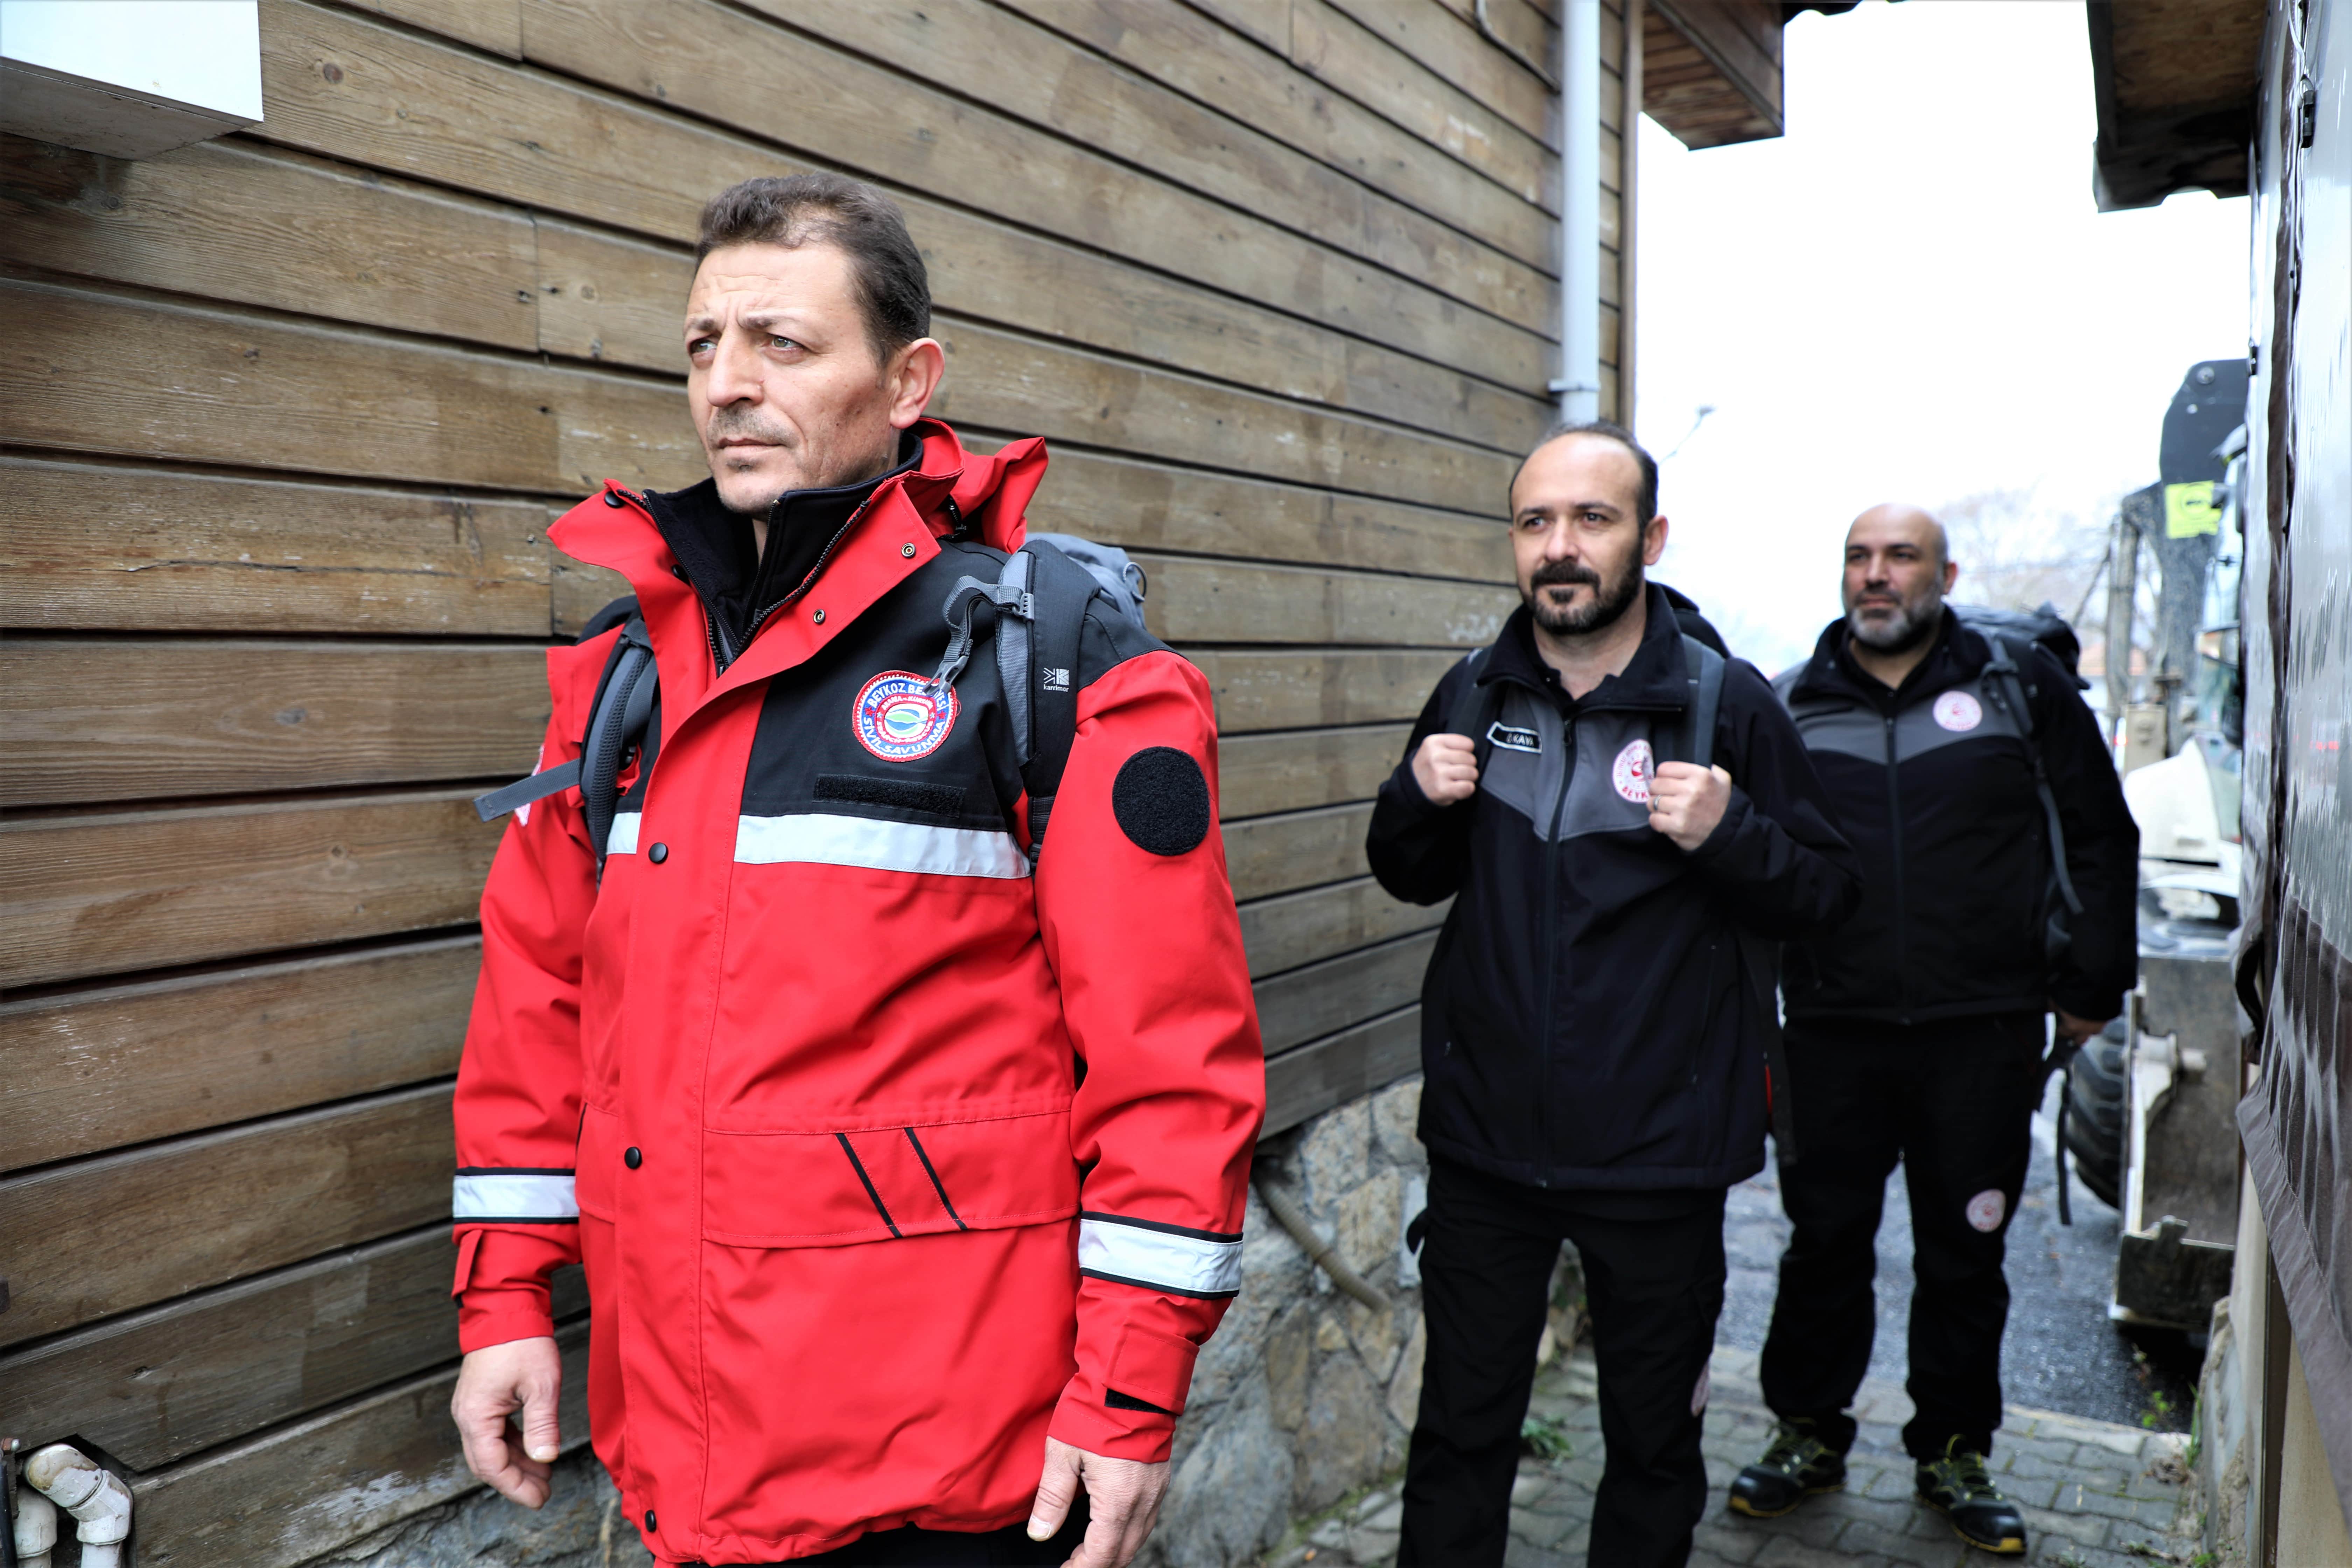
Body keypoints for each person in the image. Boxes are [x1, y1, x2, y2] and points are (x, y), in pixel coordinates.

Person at [445, 173, 1265, 1568]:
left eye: (784, 343)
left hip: (952, 1477)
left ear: (908, 382)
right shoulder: (629, 666)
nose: (730, 384)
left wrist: (1128, 1392)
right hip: (683, 1452)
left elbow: (1171, 1061)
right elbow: (536, 1005)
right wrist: (507, 1297)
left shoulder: (1049, 651)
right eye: (705, 345)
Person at [1366, 422, 1862, 1567]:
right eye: (1536, 522)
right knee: (1459, 1437)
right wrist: (1415, 796)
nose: (1561, 548)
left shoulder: (1724, 702)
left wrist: (1729, 831)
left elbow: (1832, 895)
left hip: (1660, 1160)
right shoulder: (1473, 689)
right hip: (1489, 1152)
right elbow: (1406, 874)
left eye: (1592, 519)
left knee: (1652, 1453)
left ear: (1651, 536)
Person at [1731, 504, 2138, 1556]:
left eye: (1899, 558)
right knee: (1824, 1245)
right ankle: (1807, 1433)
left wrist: (2090, 986)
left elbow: (2098, 832)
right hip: (1833, 1030)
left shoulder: (2016, 687)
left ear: (1943, 574)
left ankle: (1953, 1449)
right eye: (1859, 559)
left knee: (1968, 1250)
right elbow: (1755, 862)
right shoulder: (1794, 704)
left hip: (1981, 1034)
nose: (1876, 577)